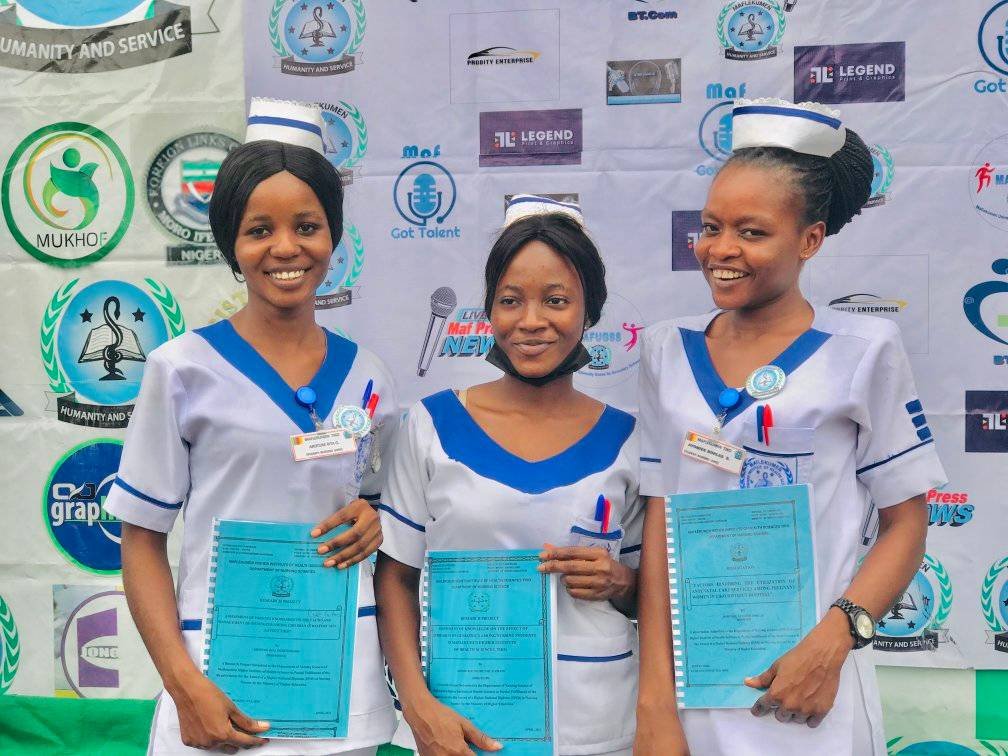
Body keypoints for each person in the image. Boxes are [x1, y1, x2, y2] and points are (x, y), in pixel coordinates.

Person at [633, 98, 947, 755]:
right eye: (711, 227)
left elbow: (906, 525)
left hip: (812, 693)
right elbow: (661, 528)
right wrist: (655, 702)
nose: (721, 249)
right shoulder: (667, 349)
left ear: (809, 240)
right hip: (696, 691)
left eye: (752, 232)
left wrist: (834, 640)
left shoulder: (864, 350)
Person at [103, 98, 398, 756]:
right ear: (231, 245)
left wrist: (376, 522)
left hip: (338, 697)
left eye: (307, 226)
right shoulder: (181, 369)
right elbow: (141, 540)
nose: (286, 248)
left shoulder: (369, 375)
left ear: (333, 237)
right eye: (259, 229)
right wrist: (184, 686)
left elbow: (383, 513)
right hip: (218, 694)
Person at [374, 196, 645, 756]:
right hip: (463, 727)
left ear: (590, 311)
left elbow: (653, 594)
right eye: (510, 300)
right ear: (489, 311)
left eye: (556, 300)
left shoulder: (630, 440)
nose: (531, 321)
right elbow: (395, 577)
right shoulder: (430, 425)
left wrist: (619, 582)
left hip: (596, 728)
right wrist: (418, 707)